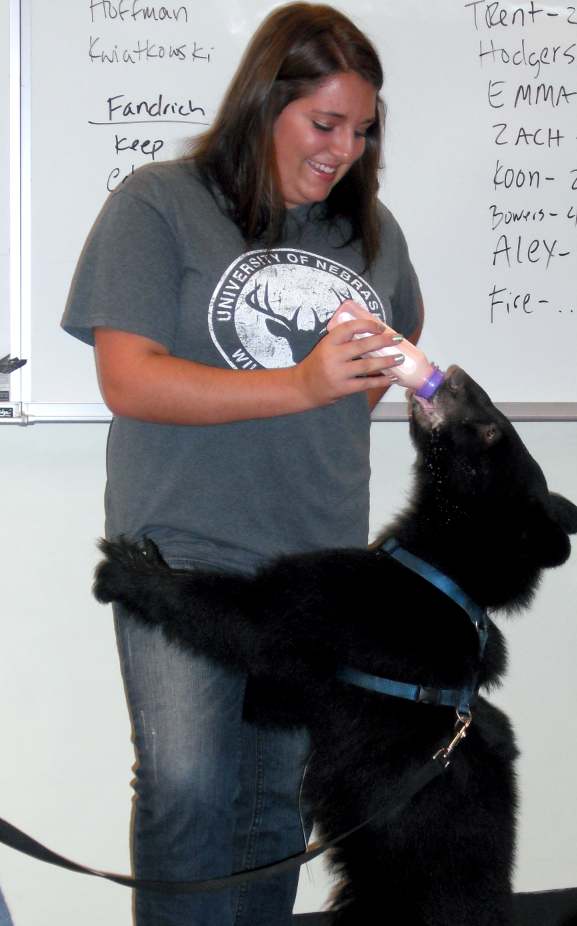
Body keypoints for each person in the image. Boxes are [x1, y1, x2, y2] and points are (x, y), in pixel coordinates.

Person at [62, 4, 423, 925]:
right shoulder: (158, 202)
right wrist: (300, 391)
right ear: (266, 104)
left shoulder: (368, 229)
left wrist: (341, 401)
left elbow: (401, 331)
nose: (343, 148)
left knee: (275, 804)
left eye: (362, 128)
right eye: (324, 123)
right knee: (187, 789)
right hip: (183, 557)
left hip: (315, 567)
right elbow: (128, 378)